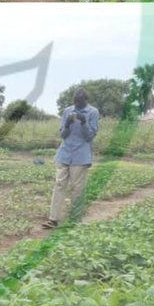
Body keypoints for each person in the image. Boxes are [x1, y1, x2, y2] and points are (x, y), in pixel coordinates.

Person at [43, 89, 98, 229]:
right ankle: (53, 219)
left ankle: (75, 220)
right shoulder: (68, 111)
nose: (77, 105)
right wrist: (67, 124)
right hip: (65, 153)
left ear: (86, 100)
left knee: (77, 188)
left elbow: (90, 136)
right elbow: (63, 134)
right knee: (59, 185)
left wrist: (84, 122)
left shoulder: (92, 112)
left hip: (81, 155)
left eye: (80, 102)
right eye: (75, 102)